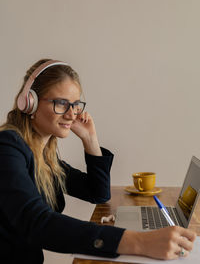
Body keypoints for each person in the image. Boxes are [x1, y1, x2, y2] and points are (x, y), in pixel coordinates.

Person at [0, 59, 196, 264]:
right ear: (29, 101)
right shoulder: (7, 149)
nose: (71, 114)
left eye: (75, 105)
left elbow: (98, 193)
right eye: (61, 103)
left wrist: (90, 140)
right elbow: (37, 222)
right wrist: (139, 241)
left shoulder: (45, 157)